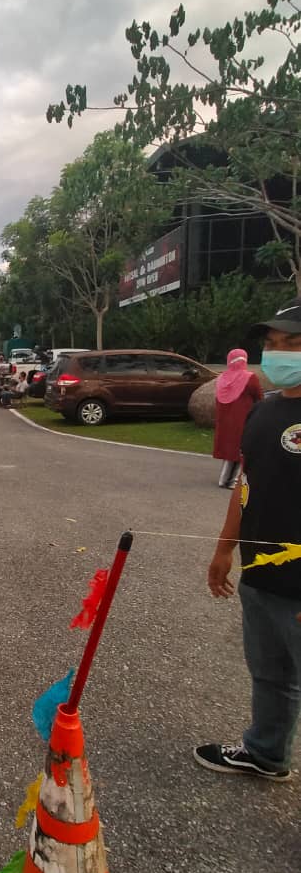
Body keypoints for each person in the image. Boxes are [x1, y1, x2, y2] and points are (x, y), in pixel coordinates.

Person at [197, 297, 301, 781]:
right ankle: (265, 752)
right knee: (269, 673)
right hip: (261, 574)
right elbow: (246, 484)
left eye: (292, 343)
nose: (278, 353)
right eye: (273, 343)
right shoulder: (265, 412)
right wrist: (224, 549)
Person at [213, 348, 263, 488]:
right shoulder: (249, 377)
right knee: (240, 448)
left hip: (224, 420)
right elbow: (259, 396)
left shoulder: (222, 378)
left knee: (230, 448)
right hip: (243, 418)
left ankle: (224, 479)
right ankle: (233, 481)